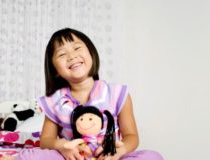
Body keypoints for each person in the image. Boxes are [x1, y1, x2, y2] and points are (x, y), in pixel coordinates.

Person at [17, 28, 163, 160]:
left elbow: (131, 136)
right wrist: (61, 146)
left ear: (91, 53)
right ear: (55, 70)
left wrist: (119, 151)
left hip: (109, 158)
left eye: (77, 48)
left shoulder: (117, 94)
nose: (72, 56)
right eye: (62, 54)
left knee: (153, 157)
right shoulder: (55, 101)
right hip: (73, 158)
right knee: (28, 156)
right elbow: (46, 140)